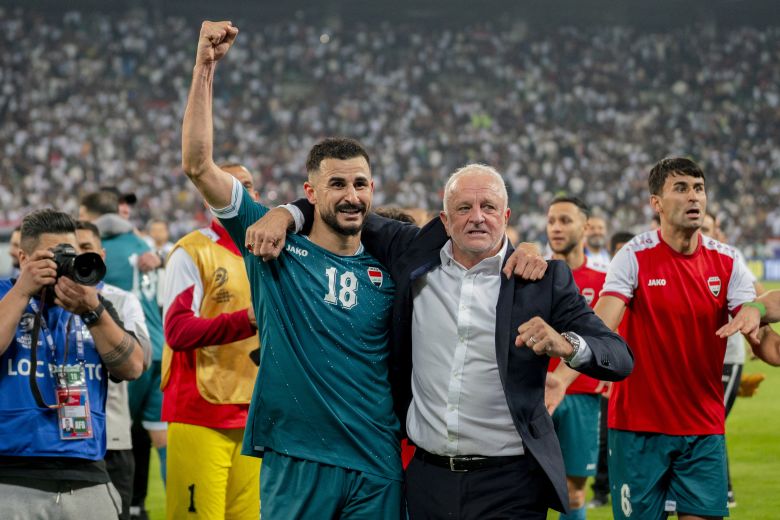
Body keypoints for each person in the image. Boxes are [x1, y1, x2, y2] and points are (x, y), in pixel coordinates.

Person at [252, 164, 634, 518]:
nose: (477, 217)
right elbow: (345, 207)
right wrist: (286, 213)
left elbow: (618, 356)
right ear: (445, 220)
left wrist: (567, 345)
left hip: (510, 484)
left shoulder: (541, 279)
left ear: (506, 216)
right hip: (428, 480)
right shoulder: (413, 252)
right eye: (464, 208)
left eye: (488, 207)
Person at [182, 20, 408, 518]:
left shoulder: (391, 267)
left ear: (372, 189)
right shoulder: (272, 245)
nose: (351, 195)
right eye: (337, 185)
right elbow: (199, 166)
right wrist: (204, 68)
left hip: (377, 459)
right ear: (310, 191)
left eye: (361, 184)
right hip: (298, 455)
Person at [594, 157, 763, 520]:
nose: (694, 197)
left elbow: (763, 338)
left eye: (699, 188)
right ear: (656, 202)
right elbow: (600, 327)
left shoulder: (728, 261)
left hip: (702, 428)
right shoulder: (633, 256)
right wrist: (565, 363)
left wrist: (759, 319)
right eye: (681, 188)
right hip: (637, 427)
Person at [0, 209, 145, 519]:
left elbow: (133, 367)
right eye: (50, 257)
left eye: (69, 255)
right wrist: (23, 290)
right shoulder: (4, 296)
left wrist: (92, 310)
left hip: (88, 474)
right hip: (11, 476)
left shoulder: (93, 304)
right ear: (23, 258)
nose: (61, 265)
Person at [161, 163, 262, 519]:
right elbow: (177, 331)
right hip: (200, 410)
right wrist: (246, 320)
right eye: (232, 185)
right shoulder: (191, 251)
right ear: (209, 197)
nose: (243, 193)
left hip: (254, 413)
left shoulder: (267, 254)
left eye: (248, 186)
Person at [80, 190, 167, 518]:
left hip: (132, 349)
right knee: (158, 436)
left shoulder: (100, 255)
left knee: (118, 433)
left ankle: (124, 505)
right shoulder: (141, 243)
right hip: (160, 348)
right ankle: (152, 506)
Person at [546, 196, 609, 520]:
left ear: (585, 227)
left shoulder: (604, 282)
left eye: (565, 221)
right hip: (536, 393)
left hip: (583, 396)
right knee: (523, 486)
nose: (556, 228)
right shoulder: (533, 274)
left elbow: (612, 341)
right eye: (551, 221)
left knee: (573, 492)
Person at [588, 230, 635, 510]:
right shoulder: (609, 284)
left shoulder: (642, 283)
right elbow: (600, 329)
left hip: (633, 372)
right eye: (618, 251)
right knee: (604, 436)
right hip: (610, 369)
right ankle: (601, 489)